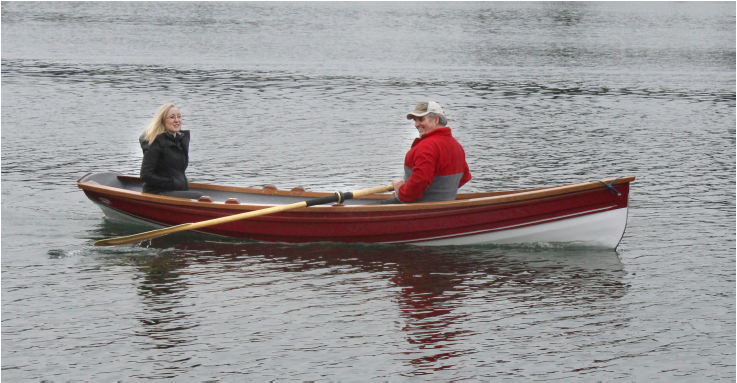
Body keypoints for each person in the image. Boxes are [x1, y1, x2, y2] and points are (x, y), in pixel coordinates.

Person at [379, 101, 471, 204]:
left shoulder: (427, 146)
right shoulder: (456, 145)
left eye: (421, 119)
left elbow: (421, 180)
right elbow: (465, 176)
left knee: (371, 208)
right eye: (415, 120)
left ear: (436, 120)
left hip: (418, 207)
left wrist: (401, 189)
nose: (416, 125)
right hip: (443, 207)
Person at [139, 103, 203, 199]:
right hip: (158, 192)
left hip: (177, 190)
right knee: (199, 197)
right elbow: (146, 175)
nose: (177, 120)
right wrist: (172, 182)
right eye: (172, 117)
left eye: (179, 116)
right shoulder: (155, 143)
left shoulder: (180, 141)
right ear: (162, 121)